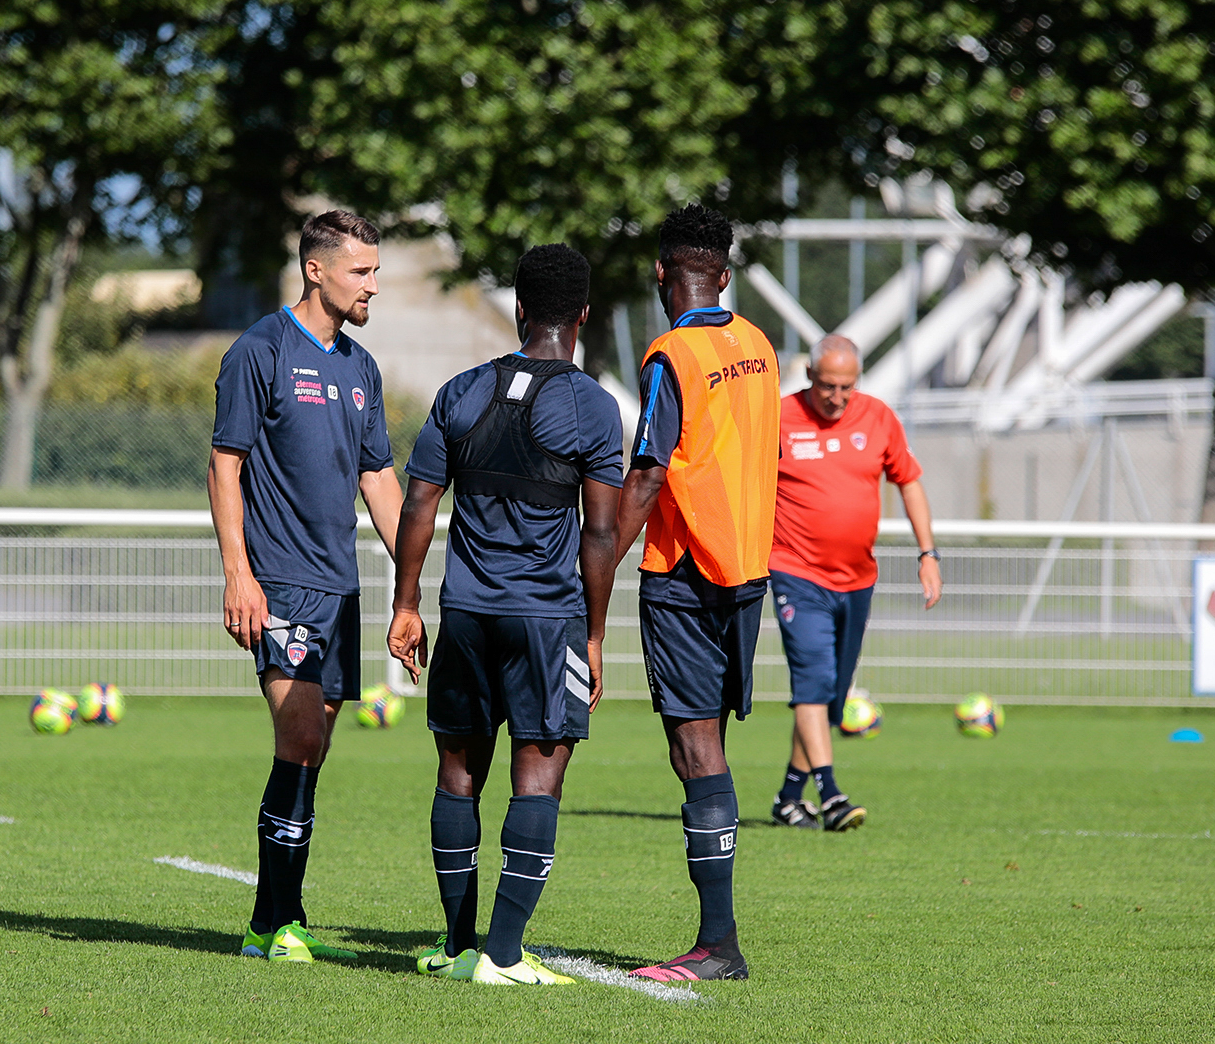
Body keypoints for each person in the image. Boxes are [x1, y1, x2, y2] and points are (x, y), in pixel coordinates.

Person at [388, 243, 624, 986]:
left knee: (457, 774)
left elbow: (420, 503)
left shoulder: (460, 390)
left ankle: (458, 946)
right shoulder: (591, 405)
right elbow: (600, 533)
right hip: (545, 619)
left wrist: (405, 603)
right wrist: (592, 633)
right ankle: (504, 954)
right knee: (538, 778)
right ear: (582, 315)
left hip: (463, 613)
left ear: (518, 307)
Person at [208, 209, 404, 964]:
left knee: (315, 744)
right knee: (297, 734)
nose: (373, 287)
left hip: (338, 588)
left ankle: (281, 921)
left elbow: (377, 475)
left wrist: (411, 582)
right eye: (362, 271)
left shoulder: (360, 367)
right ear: (316, 269)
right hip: (280, 582)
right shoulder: (259, 351)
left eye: (376, 271)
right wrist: (239, 576)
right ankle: (270, 923)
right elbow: (226, 466)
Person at [613, 203, 780, 983]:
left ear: (660, 275)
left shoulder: (669, 355)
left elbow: (648, 471)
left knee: (694, 747)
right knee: (707, 752)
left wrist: (597, 564)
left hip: (683, 573)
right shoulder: (758, 345)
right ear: (723, 270)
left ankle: (718, 944)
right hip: (746, 571)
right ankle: (719, 936)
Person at [768, 333, 941, 832]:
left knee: (832, 699)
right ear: (809, 377)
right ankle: (831, 794)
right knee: (812, 686)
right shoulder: (778, 418)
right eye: (827, 385)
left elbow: (908, 481)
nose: (836, 396)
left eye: (846, 386)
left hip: (857, 580)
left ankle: (787, 799)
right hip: (795, 572)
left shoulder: (878, 417)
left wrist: (927, 554)